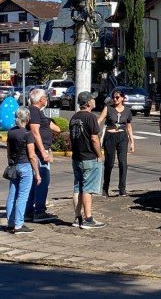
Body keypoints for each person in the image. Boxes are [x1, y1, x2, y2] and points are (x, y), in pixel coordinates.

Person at [69, 91, 106, 229]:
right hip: (89, 157)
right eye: (92, 99)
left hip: (77, 157)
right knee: (87, 189)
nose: (94, 101)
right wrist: (99, 154)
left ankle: (77, 216)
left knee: (78, 187)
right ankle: (88, 218)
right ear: (88, 102)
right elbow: (94, 138)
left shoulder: (74, 117)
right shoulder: (90, 117)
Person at [24, 88, 60, 223]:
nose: (47, 99)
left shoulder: (37, 111)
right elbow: (35, 132)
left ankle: (29, 211)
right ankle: (39, 211)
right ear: (41, 99)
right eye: (45, 97)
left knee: (36, 181)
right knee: (41, 180)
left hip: (41, 150)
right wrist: (43, 151)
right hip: (39, 152)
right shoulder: (33, 111)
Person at [6, 107, 41, 234]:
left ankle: (10, 223)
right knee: (22, 196)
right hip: (26, 167)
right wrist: (37, 173)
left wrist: (10, 164)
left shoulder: (11, 132)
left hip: (14, 167)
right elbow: (32, 156)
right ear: (27, 119)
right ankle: (19, 224)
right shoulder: (28, 134)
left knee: (12, 195)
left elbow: (9, 152)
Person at [97, 89, 135, 197]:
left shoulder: (127, 111)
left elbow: (129, 127)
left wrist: (132, 142)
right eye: (113, 97)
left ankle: (122, 189)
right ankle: (105, 189)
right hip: (110, 137)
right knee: (109, 163)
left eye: (117, 97)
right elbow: (99, 121)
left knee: (123, 163)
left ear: (122, 98)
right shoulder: (108, 109)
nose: (115, 99)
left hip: (122, 137)